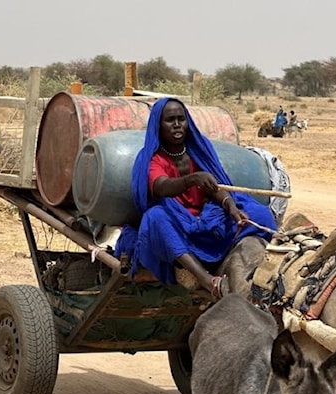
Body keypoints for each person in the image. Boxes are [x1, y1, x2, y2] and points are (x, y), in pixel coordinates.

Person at [115, 98, 277, 299]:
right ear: (158, 125)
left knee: (259, 213)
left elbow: (215, 187)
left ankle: (230, 258)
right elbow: (161, 187)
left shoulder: (198, 149)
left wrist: (230, 205)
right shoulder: (152, 158)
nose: (177, 125)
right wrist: (192, 179)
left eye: (181, 119)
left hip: (207, 216)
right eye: (170, 120)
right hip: (179, 221)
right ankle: (206, 280)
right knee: (155, 218)